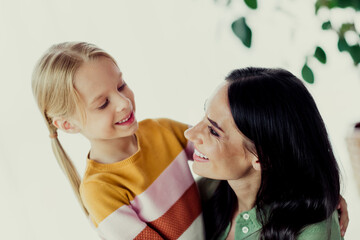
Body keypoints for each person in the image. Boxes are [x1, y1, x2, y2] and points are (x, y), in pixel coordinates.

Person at [31, 42, 204, 240]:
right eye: (103, 104)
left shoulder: (162, 129)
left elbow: (221, 152)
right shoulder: (99, 189)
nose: (124, 102)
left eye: (121, 86)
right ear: (67, 125)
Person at [184, 67, 347, 240]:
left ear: (263, 157)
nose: (190, 133)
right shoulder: (207, 189)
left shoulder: (312, 234)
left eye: (213, 131)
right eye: (204, 114)